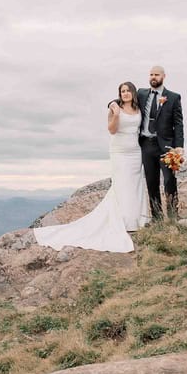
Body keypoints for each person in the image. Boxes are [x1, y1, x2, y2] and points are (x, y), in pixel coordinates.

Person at [34, 82, 151, 253]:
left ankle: (136, 220)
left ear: (133, 92)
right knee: (122, 184)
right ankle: (122, 220)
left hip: (135, 151)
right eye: (122, 91)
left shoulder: (139, 108)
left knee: (135, 184)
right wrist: (117, 114)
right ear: (119, 94)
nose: (125, 93)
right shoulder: (114, 108)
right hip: (119, 151)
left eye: (128, 91)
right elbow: (111, 130)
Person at [137, 66, 184, 221]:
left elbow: (178, 124)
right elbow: (124, 100)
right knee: (151, 182)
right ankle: (157, 218)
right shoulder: (141, 94)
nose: (153, 77)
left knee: (169, 180)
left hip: (166, 146)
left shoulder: (173, 97)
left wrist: (179, 146)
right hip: (146, 145)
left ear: (164, 76)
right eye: (151, 74)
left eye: (156, 74)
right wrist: (112, 103)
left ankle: (173, 216)